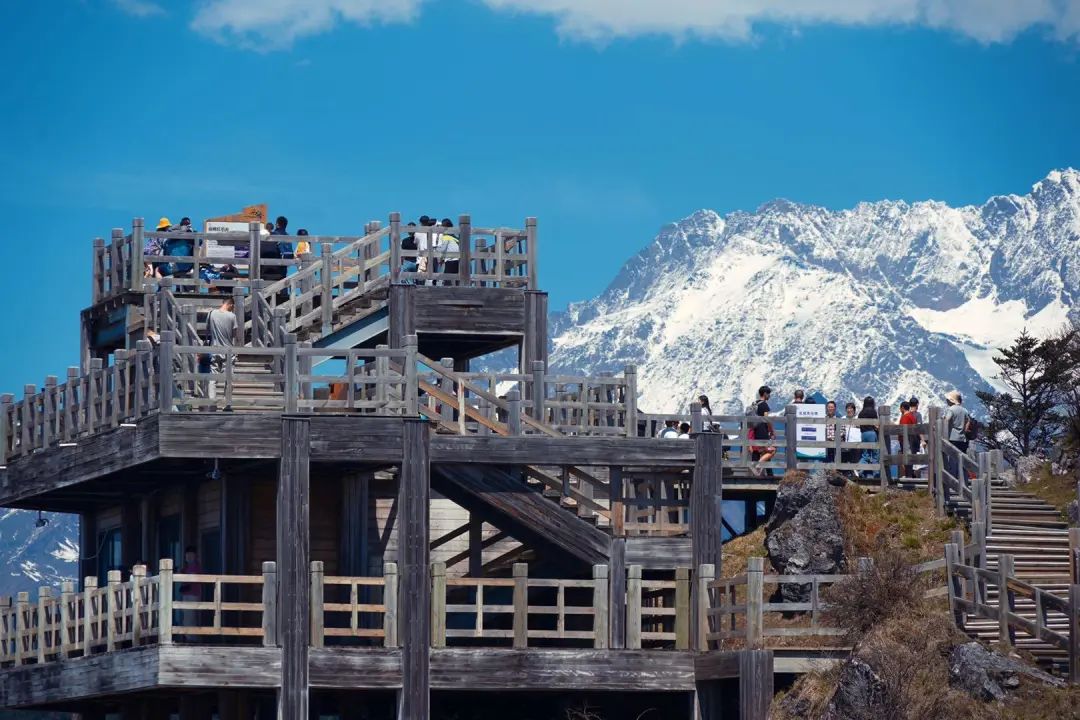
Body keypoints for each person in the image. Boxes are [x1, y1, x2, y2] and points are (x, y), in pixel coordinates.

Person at [204, 292, 239, 407]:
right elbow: (234, 334)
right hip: (228, 350)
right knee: (228, 379)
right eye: (232, 307)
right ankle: (227, 404)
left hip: (214, 349)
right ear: (230, 305)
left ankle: (212, 403)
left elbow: (207, 330)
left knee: (213, 378)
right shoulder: (232, 316)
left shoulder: (211, 314)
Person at [944, 390, 970, 481]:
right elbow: (968, 422)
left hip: (952, 438)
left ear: (951, 400)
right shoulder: (964, 410)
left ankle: (953, 481)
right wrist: (964, 430)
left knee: (952, 460)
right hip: (962, 439)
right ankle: (963, 480)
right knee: (961, 460)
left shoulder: (951, 410)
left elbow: (947, 420)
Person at [178, 546, 202, 639]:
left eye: (190, 555)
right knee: (186, 617)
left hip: (193, 594)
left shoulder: (196, 567)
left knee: (190, 618)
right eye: (187, 555)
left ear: (195, 556)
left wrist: (185, 587)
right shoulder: (187, 567)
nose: (188, 557)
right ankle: (188, 637)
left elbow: (193, 580)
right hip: (186, 594)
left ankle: (192, 639)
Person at [751, 386, 776, 476]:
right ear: (765, 394)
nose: (769, 395)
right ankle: (757, 465)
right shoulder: (764, 404)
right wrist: (772, 431)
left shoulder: (754, 404)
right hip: (762, 431)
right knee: (771, 450)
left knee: (758, 451)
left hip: (754, 431)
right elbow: (766, 419)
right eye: (768, 393)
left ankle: (767, 473)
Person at [858, 396, 879, 478]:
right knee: (875, 454)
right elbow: (876, 424)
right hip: (871, 433)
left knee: (865, 455)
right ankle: (876, 473)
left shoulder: (861, 413)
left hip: (863, 434)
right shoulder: (873, 412)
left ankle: (859, 470)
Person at [898, 401, 917, 479]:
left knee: (906, 457)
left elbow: (903, 429)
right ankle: (910, 474)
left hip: (906, 440)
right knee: (909, 457)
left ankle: (908, 475)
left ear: (902, 408)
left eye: (900, 408)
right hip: (912, 440)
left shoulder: (905, 417)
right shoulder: (911, 416)